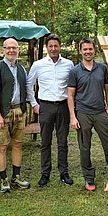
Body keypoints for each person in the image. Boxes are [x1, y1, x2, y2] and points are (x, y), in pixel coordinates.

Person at [26, 34, 74, 187]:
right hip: (45, 106)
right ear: (47, 47)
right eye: (50, 46)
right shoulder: (38, 65)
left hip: (63, 106)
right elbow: (29, 85)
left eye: (56, 46)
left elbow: (73, 86)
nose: (53, 49)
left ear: (60, 47)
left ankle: (64, 172)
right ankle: (45, 174)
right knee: (45, 142)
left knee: (62, 142)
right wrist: (34, 104)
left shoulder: (68, 64)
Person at [67, 38, 108, 191]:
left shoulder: (102, 68)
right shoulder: (74, 71)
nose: (88, 52)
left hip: (100, 113)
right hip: (83, 113)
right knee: (84, 148)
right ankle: (89, 178)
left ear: (94, 50)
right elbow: (71, 95)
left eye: (90, 49)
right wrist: (73, 117)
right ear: (80, 51)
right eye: (85, 49)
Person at [0, 38, 30, 193]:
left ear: (18, 49)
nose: (12, 50)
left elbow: (26, 89)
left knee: (18, 144)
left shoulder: (22, 69)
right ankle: (3, 179)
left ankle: (16, 176)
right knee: (2, 146)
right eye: (8, 48)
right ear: (3, 50)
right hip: (4, 112)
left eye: (14, 48)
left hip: (19, 110)